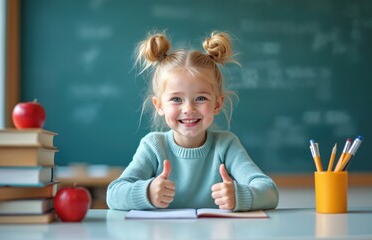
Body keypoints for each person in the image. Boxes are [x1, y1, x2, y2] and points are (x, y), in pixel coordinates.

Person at [107, 31, 279, 211]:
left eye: (200, 98)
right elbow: (114, 194)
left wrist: (239, 196)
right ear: (159, 106)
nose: (188, 109)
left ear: (217, 104)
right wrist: (147, 193)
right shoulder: (153, 145)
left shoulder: (226, 145)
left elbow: (270, 192)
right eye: (176, 99)